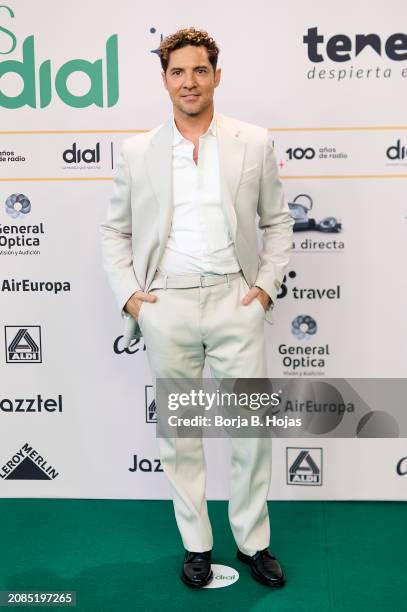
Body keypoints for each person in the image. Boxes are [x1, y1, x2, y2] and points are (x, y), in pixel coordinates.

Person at [100, 27, 293, 589]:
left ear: (216, 75)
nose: (189, 81)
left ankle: (254, 542)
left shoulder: (253, 142)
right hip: (170, 304)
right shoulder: (137, 151)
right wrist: (133, 297)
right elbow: (114, 230)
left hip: (236, 298)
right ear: (164, 79)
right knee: (182, 433)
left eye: (199, 70)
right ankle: (196, 546)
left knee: (250, 429)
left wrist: (263, 288)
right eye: (178, 72)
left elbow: (276, 222)